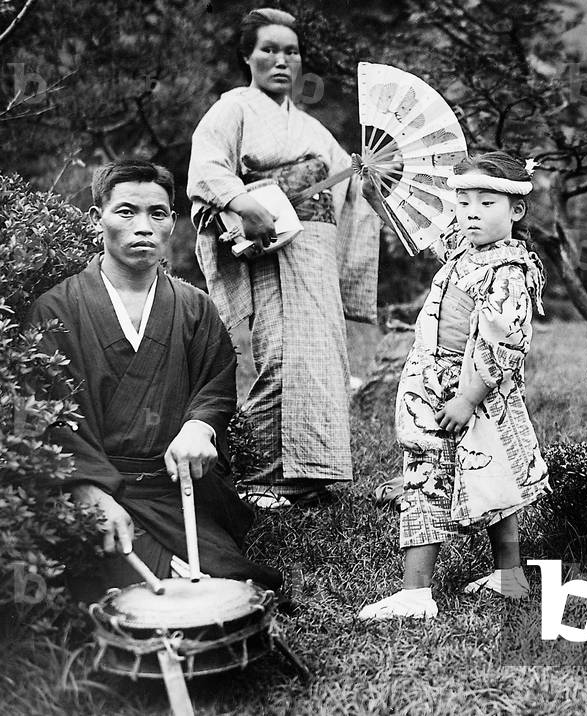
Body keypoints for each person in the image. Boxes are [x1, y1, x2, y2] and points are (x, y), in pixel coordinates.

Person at [29, 160, 282, 600]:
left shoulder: (194, 307)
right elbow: (48, 416)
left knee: (230, 583)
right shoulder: (57, 310)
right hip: (99, 489)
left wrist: (198, 427)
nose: (143, 226)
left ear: (172, 224)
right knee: (146, 590)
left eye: (158, 213)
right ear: (97, 220)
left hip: (176, 491)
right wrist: (89, 491)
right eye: (126, 211)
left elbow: (216, 385)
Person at [187, 8, 382, 508]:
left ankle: (310, 476)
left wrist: (370, 176)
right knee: (281, 360)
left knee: (321, 362)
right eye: (268, 49)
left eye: (290, 51)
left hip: (317, 254)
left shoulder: (314, 129)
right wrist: (241, 201)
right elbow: (207, 167)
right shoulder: (234, 108)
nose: (280, 60)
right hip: (273, 248)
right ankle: (256, 476)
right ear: (247, 56)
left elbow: (351, 187)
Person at [358, 152, 549, 621]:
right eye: (463, 202)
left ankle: (418, 592)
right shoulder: (464, 250)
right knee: (474, 474)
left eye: (487, 203)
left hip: (467, 390)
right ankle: (504, 575)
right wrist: (376, 193)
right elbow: (419, 227)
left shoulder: (508, 269)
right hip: (437, 382)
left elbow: (504, 342)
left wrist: (467, 398)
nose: (472, 213)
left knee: (444, 477)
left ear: (515, 211)